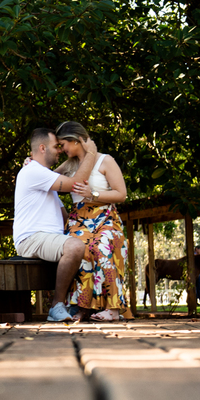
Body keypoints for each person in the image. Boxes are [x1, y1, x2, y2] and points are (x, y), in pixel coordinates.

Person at [12, 127, 97, 323]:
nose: (60, 150)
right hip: (31, 238)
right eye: (56, 146)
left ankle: (85, 306)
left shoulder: (45, 179)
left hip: (47, 238)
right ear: (42, 148)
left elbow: (65, 218)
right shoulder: (33, 171)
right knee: (74, 246)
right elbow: (77, 183)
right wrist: (91, 153)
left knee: (88, 244)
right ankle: (56, 306)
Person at [56, 121, 129, 321]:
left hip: (105, 217)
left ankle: (113, 309)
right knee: (80, 252)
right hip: (78, 220)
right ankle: (83, 309)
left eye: (63, 144)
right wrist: (30, 163)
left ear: (76, 140)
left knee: (102, 246)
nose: (61, 149)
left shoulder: (105, 160)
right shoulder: (69, 165)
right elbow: (47, 178)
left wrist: (93, 194)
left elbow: (121, 194)